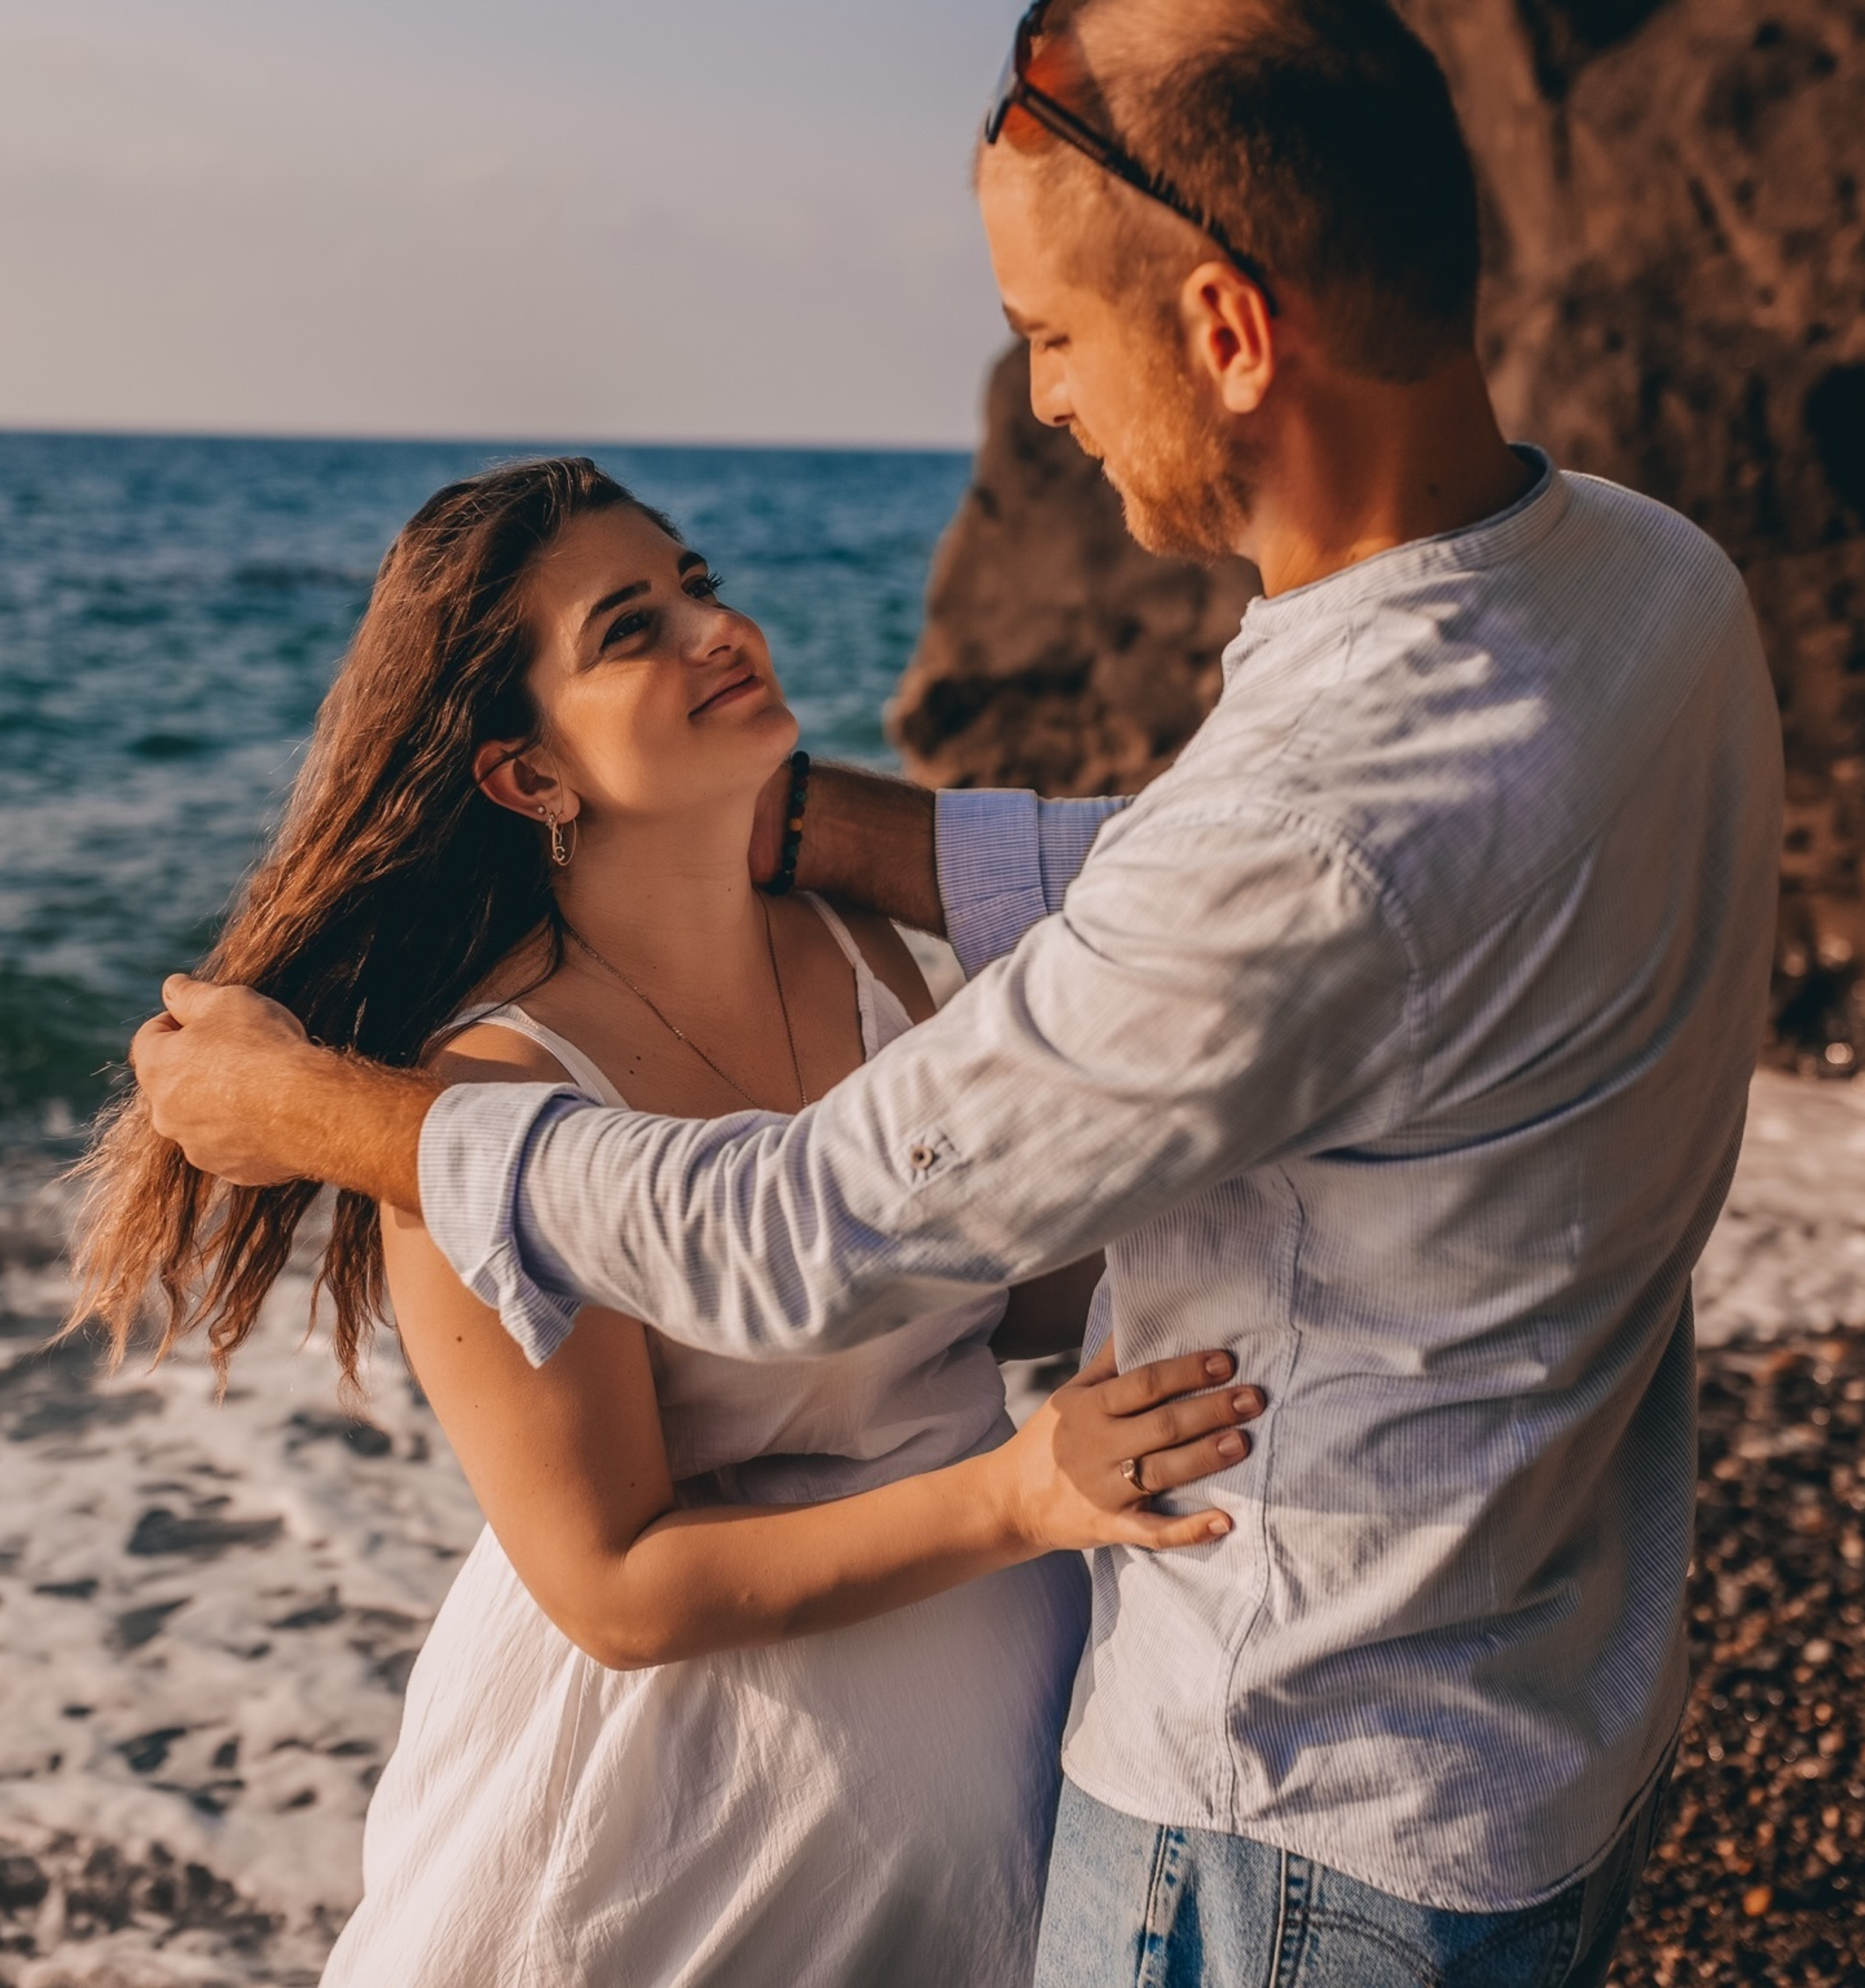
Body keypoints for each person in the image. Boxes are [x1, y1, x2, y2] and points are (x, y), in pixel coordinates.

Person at [130, 2, 1785, 1985]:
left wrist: (328, 1118)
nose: (1049, 402)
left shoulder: (1304, 838)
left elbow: (810, 1228)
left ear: (1227, 332)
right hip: (1540, 1700)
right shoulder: (1644, 576)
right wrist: (845, 827)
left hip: (1292, 1809)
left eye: (1049, 340)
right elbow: (1255, 919)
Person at [72, 456, 1269, 1987]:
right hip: (675, 1857)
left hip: (970, 1829)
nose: (718, 625)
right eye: (631, 627)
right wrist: (1023, 1495)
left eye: (697, 580)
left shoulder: (873, 959)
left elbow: (978, 1277)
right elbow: (616, 1583)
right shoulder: (482, 1097)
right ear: (526, 775)